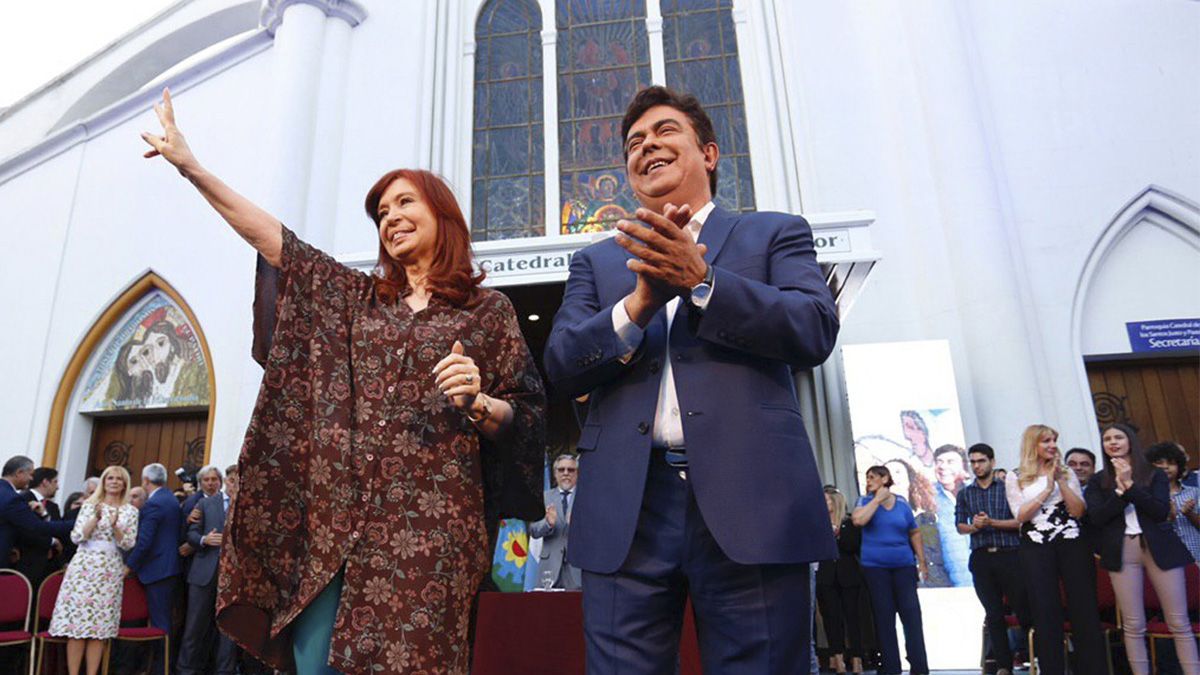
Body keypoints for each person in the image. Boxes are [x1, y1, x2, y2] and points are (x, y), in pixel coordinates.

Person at [141, 88, 545, 674]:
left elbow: (527, 416)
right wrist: (192, 168)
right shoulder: (358, 300)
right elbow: (276, 242)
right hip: (336, 533)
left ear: (442, 213)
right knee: (318, 661)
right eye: (381, 213)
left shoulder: (487, 312)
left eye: (405, 203)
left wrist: (480, 402)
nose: (391, 218)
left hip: (431, 536)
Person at [544, 85, 839, 673]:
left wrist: (704, 281)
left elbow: (813, 329)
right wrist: (639, 306)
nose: (646, 144)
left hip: (750, 497)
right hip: (627, 506)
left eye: (664, 132)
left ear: (708, 154)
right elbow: (560, 361)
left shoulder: (774, 233)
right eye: (634, 143)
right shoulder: (599, 262)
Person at [1086, 424, 1199, 675]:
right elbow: (1097, 518)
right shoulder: (1098, 480)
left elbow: (1160, 511)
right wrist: (1121, 492)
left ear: (1131, 442)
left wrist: (1131, 487)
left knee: (1178, 621)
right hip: (1122, 549)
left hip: (1159, 547)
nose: (1113, 442)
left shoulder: (1153, 474)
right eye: (1107, 439)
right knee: (1133, 624)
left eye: (1118, 437)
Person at [1005, 424, 1105, 675]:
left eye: (1054, 440)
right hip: (1036, 545)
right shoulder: (1014, 476)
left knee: (1084, 609)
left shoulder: (1066, 472)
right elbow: (1020, 516)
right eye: (1046, 441)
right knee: (1045, 610)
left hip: (1071, 541)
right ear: (1032, 445)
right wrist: (1047, 488)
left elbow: (1078, 511)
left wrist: (1060, 481)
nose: (1052, 445)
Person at [48, 465, 139, 675]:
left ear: (124, 483)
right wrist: (95, 519)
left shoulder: (130, 510)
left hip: (109, 568)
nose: (114, 482)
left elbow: (128, 543)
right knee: (78, 626)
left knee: (99, 628)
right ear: (103, 482)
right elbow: (77, 537)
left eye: (118, 479)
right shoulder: (89, 506)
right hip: (84, 567)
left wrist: (116, 526)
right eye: (110, 478)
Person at [955, 443, 1029, 675]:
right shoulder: (965, 492)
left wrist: (992, 523)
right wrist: (975, 527)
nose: (977, 466)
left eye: (981, 461)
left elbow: (1020, 521)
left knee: (1024, 609)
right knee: (994, 614)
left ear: (992, 462)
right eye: (973, 462)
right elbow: (960, 526)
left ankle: (1034, 656)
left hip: (1010, 555)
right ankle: (1003, 666)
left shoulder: (1007, 487)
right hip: (981, 558)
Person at [851, 465, 929, 675]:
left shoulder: (902, 504)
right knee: (884, 617)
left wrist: (921, 561)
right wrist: (877, 499)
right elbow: (858, 520)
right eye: (867, 478)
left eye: (872, 477)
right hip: (876, 569)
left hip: (903, 566)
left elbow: (914, 532)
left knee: (912, 615)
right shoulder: (864, 501)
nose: (868, 481)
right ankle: (890, 667)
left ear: (885, 478)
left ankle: (919, 666)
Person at [178, 465, 240, 675]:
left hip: (234, 574)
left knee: (230, 628)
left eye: (238, 480)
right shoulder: (205, 503)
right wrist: (204, 539)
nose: (235, 484)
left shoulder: (248, 506)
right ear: (227, 482)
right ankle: (186, 669)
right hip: (204, 572)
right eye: (232, 480)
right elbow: (191, 534)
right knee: (195, 625)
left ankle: (225, 671)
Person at [123, 462, 182, 673]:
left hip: (157, 570)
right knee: (163, 620)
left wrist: (129, 566)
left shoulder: (154, 504)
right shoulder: (170, 499)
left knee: (160, 624)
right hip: (167, 568)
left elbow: (145, 540)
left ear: (146, 481)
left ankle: (161, 668)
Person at [816, 487, 866, 674]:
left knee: (853, 617)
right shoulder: (817, 524)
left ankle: (857, 658)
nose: (823, 503)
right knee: (831, 618)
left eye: (827, 500)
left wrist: (837, 534)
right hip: (826, 576)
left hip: (848, 575)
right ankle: (837, 658)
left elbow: (852, 546)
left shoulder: (850, 523)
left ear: (835, 503)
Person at [1, 456, 74, 571]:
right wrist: (76, 523)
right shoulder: (12, 499)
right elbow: (36, 527)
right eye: (30, 474)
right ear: (19, 473)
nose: (31, 479)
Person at [528, 454, 581, 590]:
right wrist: (547, 523)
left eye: (571, 470)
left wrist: (579, 526)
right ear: (555, 474)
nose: (566, 473)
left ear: (577, 473)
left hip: (578, 568)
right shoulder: (544, 497)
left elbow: (597, 532)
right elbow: (533, 530)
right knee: (548, 609)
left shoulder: (585, 497)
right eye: (561, 470)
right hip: (549, 568)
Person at [1146, 440, 1200, 562]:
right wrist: (1169, 518)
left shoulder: (1194, 492)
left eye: (1171, 463)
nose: (1165, 467)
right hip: (1169, 558)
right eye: (1159, 463)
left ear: (1179, 466)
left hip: (1196, 553)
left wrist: (1189, 514)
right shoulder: (1147, 497)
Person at [16, 467, 66, 592]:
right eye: (55, 482)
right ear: (45, 482)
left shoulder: (53, 507)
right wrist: (51, 541)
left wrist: (45, 515)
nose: (58, 487)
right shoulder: (22, 499)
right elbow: (26, 530)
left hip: (47, 566)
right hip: (24, 562)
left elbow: (58, 530)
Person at [932, 444, 971, 587]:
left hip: (985, 571)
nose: (943, 467)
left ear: (964, 467)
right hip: (952, 581)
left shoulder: (975, 491)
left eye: (950, 462)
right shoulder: (928, 497)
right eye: (939, 462)